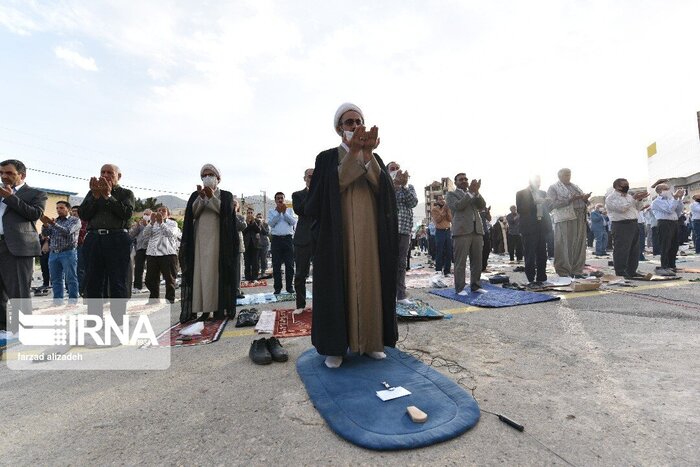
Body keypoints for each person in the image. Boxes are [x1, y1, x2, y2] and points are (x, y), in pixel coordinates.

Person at [306, 102, 398, 369]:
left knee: (371, 283)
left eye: (359, 122)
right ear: (339, 129)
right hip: (338, 235)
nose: (355, 126)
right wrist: (353, 155)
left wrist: (366, 155)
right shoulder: (326, 158)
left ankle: (371, 342)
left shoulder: (374, 157)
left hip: (369, 235)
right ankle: (336, 347)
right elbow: (324, 194)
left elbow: (385, 193)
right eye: (349, 123)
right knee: (338, 285)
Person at [179, 164, 238, 322]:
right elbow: (193, 213)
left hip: (219, 242)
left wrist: (212, 197)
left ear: (218, 178)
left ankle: (219, 309)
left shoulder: (226, 195)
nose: (207, 177)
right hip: (200, 241)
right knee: (201, 275)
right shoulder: (195, 195)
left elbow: (225, 213)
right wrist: (202, 197)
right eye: (204, 175)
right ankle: (204, 310)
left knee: (215, 274)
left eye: (210, 174)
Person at [79, 164, 135, 324]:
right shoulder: (92, 192)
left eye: (110, 172)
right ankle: (94, 321)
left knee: (118, 280)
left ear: (119, 176)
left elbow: (126, 213)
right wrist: (96, 197)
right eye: (102, 172)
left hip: (117, 239)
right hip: (94, 239)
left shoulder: (125, 193)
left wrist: (108, 196)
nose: (105, 175)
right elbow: (83, 214)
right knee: (93, 280)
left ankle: (118, 321)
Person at [0, 159, 47, 339]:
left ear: (22, 175)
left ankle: (21, 331)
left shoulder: (35, 193)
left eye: (9, 173)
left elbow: (35, 214)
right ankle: (3, 329)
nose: (4, 176)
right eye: (2, 173)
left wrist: (9, 197)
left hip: (18, 247)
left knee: (18, 290)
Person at [446, 173, 487, 295]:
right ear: (456, 182)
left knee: (477, 261)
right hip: (462, 231)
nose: (464, 181)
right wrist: (470, 193)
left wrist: (477, 193)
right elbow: (458, 206)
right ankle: (460, 288)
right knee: (460, 262)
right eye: (461, 179)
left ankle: (476, 285)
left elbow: (482, 205)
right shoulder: (451, 194)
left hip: (477, 230)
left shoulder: (473, 193)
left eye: (466, 179)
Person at [547, 168, 591, 278]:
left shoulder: (575, 186)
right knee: (564, 244)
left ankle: (577, 270)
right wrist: (570, 199)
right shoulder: (553, 188)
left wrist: (585, 199)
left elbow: (585, 202)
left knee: (579, 245)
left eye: (569, 174)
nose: (568, 177)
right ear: (560, 176)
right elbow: (551, 205)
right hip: (565, 219)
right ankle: (564, 271)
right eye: (566, 175)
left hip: (580, 217)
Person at [387, 161, 418, 305]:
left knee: (401, 263)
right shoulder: (385, 186)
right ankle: (388, 294)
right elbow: (386, 201)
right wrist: (393, 186)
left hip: (404, 231)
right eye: (392, 169)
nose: (395, 171)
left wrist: (403, 186)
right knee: (388, 262)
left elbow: (412, 202)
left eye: (397, 168)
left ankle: (401, 295)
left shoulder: (409, 187)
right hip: (388, 230)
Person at [605, 179, 648, 279]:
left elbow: (637, 208)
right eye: (624, 185)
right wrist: (633, 199)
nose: (627, 186)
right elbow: (621, 208)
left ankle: (632, 271)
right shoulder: (611, 198)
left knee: (634, 249)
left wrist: (639, 200)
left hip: (633, 223)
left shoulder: (629, 196)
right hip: (621, 225)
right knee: (622, 249)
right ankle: (621, 272)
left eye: (627, 184)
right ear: (617, 186)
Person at [40, 201, 81, 304]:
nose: (59, 210)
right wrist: (45, 224)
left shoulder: (75, 220)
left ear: (68, 209)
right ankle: (57, 301)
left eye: (61, 208)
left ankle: (73, 301)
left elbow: (67, 231)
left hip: (68, 252)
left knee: (71, 278)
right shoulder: (55, 220)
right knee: (55, 279)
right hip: (54, 253)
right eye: (57, 208)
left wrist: (53, 224)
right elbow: (45, 234)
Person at [516, 176, 551, 286]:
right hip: (529, 228)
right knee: (530, 254)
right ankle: (530, 278)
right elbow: (520, 209)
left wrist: (549, 203)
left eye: (539, 181)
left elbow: (547, 210)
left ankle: (542, 277)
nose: (538, 183)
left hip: (542, 226)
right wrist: (534, 203)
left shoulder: (543, 193)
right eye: (536, 181)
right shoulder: (521, 193)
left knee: (542, 254)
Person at [143, 206, 181, 303]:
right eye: (159, 210)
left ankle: (170, 299)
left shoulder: (173, 223)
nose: (160, 212)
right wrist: (151, 223)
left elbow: (171, 234)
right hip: (152, 254)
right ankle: (154, 298)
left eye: (163, 211)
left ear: (168, 214)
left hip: (167, 254)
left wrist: (161, 223)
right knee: (150, 279)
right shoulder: (152, 224)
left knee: (169, 279)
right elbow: (145, 235)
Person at [292, 169, 315, 313]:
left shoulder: (323, 193)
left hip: (319, 238)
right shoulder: (298, 195)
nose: (312, 179)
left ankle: (320, 303)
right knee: (300, 274)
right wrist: (312, 193)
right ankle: (300, 305)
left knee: (321, 273)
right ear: (304, 178)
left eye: (315, 176)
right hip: (303, 239)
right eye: (310, 176)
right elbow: (301, 210)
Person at [650, 184, 684, 276]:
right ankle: (664, 266)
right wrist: (675, 198)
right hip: (664, 223)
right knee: (665, 245)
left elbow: (678, 211)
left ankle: (672, 265)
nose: (668, 190)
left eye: (668, 188)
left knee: (674, 245)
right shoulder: (657, 201)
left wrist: (679, 199)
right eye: (666, 189)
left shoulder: (671, 199)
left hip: (674, 223)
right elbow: (669, 210)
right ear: (660, 191)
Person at [268, 192, 296, 294]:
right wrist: (279, 213)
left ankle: (289, 287)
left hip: (288, 239)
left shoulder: (289, 210)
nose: (280, 200)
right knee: (276, 265)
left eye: (282, 198)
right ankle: (277, 288)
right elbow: (271, 224)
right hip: (276, 240)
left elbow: (293, 222)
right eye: (278, 198)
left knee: (289, 265)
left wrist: (284, 213)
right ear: (275, 200)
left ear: (284, 199)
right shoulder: (271, 211)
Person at [129, 208, 153, 293]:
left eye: (148, 214)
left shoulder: (154, 224)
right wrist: (137, 226)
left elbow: (152, 233)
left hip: (150, 248)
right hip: (140, 248)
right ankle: (137, 286)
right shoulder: (139, 224)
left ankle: (150, 286)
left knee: (151, 268)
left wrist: (147, 225)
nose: (146, 216)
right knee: (138, 268)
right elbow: (131, 235)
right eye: (145, 214)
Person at [430, 194, 452, 276]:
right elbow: (438, 220)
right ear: (437, 201)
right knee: (440, 251)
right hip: (440, 231)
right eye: (440, 199)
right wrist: (443, 211)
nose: (442, 200)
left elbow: (450, 219)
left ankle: (447, 271)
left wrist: (447, 211)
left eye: (443, 199)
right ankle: (438, 269)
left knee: (449, 251)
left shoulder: (447, 208)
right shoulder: (434, 210)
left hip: (448, 231)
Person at [242, 206, 262, 281]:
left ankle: (255, 277)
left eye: (251, 213)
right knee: (247, 262)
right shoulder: (244, 221)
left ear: (253, 213)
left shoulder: (257, 221)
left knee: (255, 262)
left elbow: (258, 230)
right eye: (248, 213)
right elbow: (243, 231)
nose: (250, 214)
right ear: (246, 213)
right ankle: (247, 277)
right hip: (246, 244)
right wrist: (247, 223)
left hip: (255, 244)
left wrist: (253, 222)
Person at [72, 205, 88, 293]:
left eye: (76, 211)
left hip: (81, 246)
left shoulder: (85, 221)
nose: (74, 213)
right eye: (73, 211)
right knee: (72, 269)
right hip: (70, 247)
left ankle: (81, 289)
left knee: (80, 268)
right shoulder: (69, 221)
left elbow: (84, 232)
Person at [255, 212, 270, 277]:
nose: (259, 219)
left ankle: (263, 271)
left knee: (263, 258)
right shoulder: (254, 224)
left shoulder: (266, 224)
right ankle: (257, 272)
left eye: (260, 217)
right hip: (257, 244)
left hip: (264, 244)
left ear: (263, 218)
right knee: (257, 259)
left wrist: (261, 225)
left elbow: (266, 233)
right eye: (258, 217)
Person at [480, 207, 492, 272]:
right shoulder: (472, 206)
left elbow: (489, 219)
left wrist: (487, 212)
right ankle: (479, 266)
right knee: (478, 251)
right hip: (477, 232)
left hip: (485, 231)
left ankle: (484, 266)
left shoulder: (484, 208)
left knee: (487, 249)